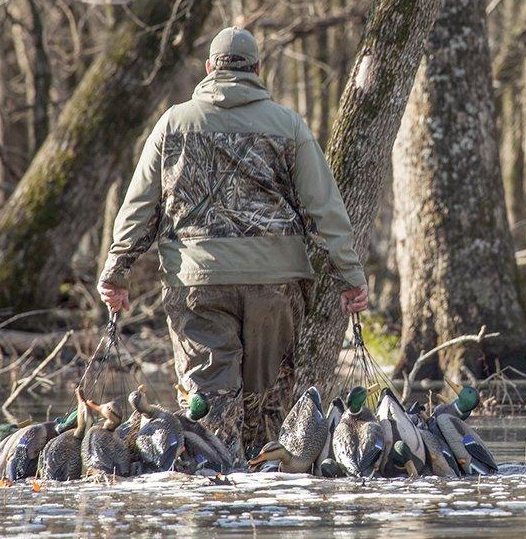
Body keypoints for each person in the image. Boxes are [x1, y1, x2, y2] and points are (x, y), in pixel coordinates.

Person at [97, 26, 367, 459]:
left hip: (197, 282)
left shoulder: (173, 123)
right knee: (268, 407)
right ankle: (264, 496)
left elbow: (139, 207)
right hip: (275, 283)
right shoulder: (287, 124)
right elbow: (325, 210)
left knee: (209, 406)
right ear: (258, 70)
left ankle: (213, 500)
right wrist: (350, 277)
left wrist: (117, 270)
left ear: (209, 69)